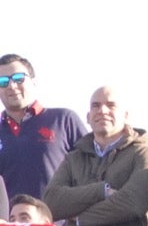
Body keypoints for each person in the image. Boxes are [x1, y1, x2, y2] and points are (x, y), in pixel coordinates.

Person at [42, 84, 148, 226]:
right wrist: (101, 191)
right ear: (87, 116)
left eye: (111, 105)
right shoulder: (73, 158)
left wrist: (79, 217)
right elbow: (51, 202)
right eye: (96, 106)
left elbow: (134, 202)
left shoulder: (143, 153)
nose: (102, 111)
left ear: (126, 115)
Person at [0, 56, 86, 200]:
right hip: (9, 221)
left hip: (57, 219)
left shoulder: (63, 120)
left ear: (34, 82)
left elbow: (91, 168)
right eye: (3, 81)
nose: (11, 86)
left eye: (19, 78)